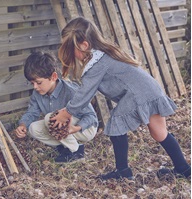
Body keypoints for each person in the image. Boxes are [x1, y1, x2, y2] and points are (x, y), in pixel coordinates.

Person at [50, 16, 191, 180]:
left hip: (139, 94)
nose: (67, 53)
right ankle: (184, 169)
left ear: (84, 45)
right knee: (159, 133)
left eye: (69, 48)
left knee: (117, 123)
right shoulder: (102, 56)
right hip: (149, 89)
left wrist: (67, 113)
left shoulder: (96, 64)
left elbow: (84, 95)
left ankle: (122, 172)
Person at [15, 51, 98, 163]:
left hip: (84, 129)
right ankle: (65, 147)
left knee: (50, 117)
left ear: (53, 77)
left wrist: (76, 128)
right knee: (33, 129)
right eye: (32, 83)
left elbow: (91, 117)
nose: (35, 87)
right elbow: (32, 113)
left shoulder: (71, 91)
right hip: (63, 129)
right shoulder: (37, 93)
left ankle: (76, 151)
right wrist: (23, 125)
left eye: (39, 83)